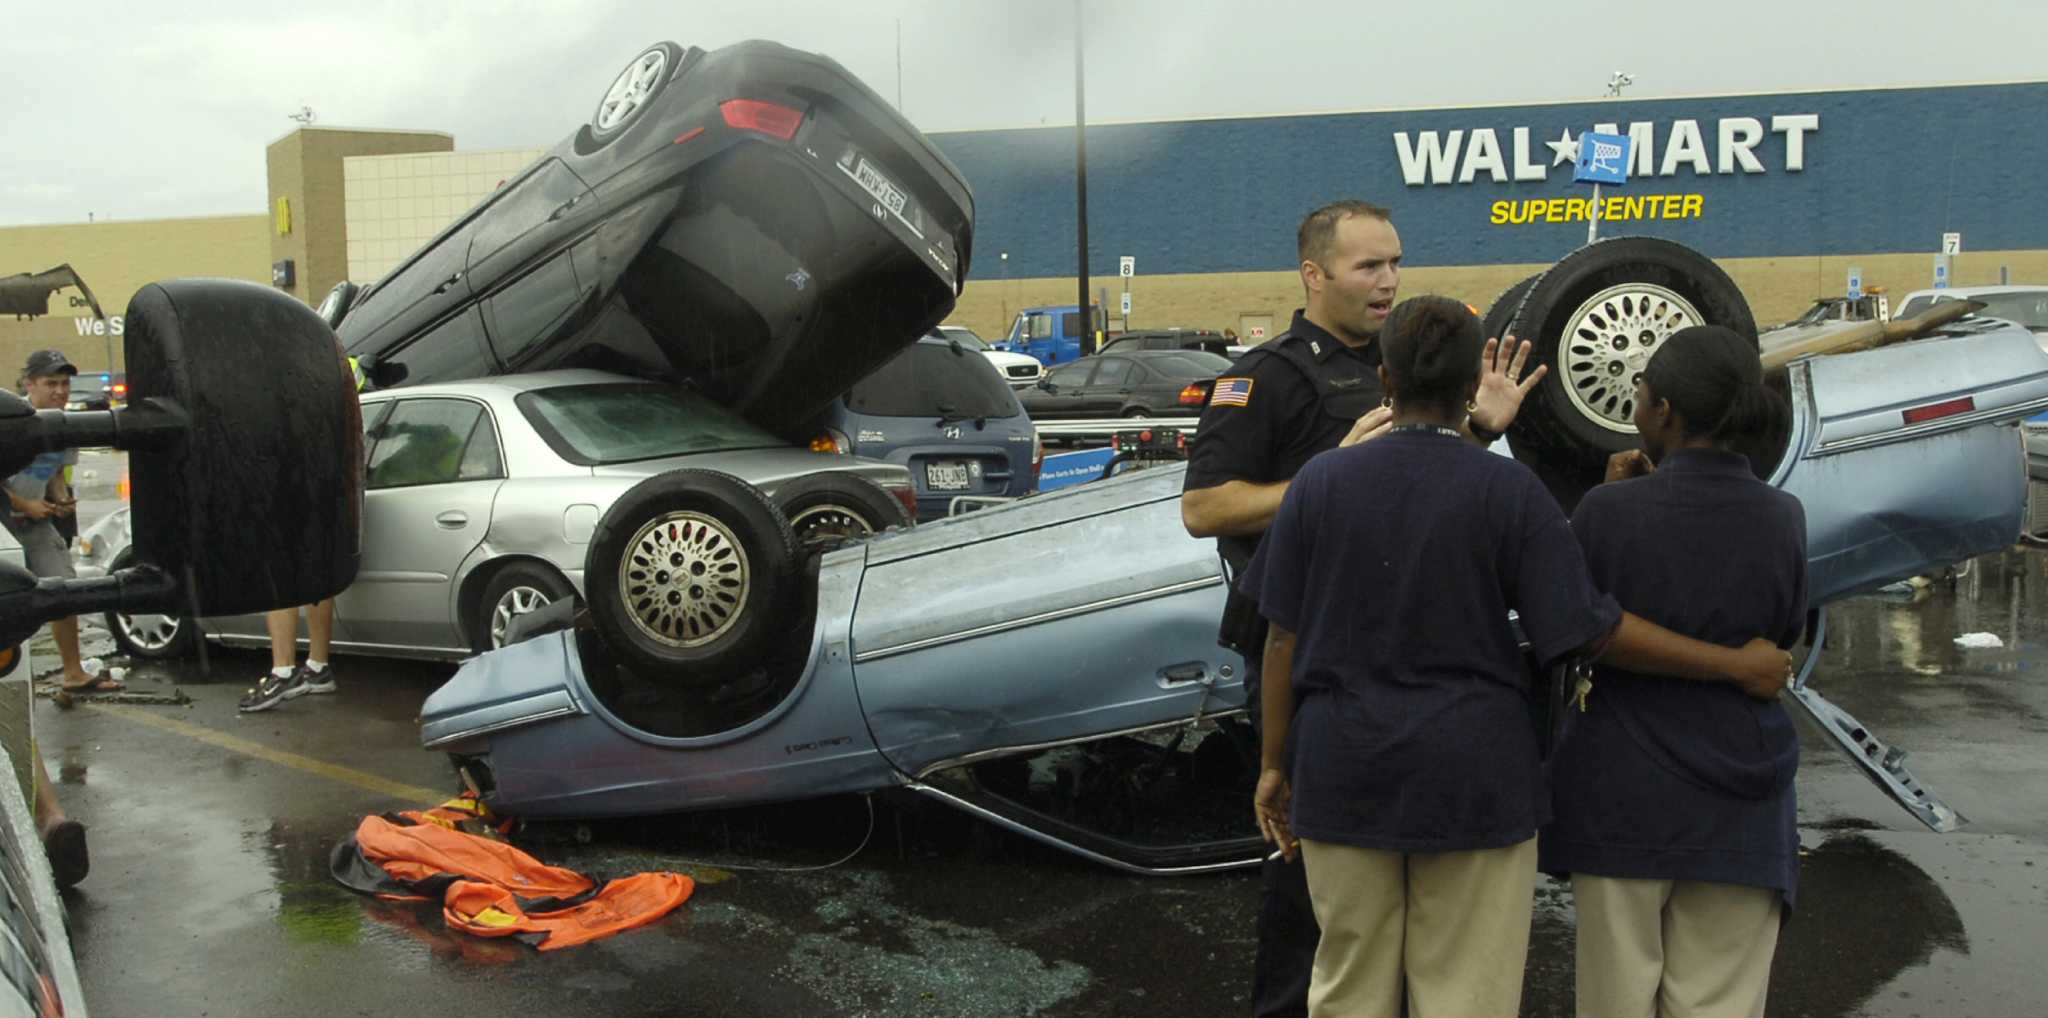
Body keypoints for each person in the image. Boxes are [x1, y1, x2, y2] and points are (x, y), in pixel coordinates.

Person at [1241, 297, 1793, 1018]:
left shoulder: (1320, 483)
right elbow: (1582, 630)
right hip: (1478, 776)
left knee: (1348, 984)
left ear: (1384, 378)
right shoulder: (1509, 491)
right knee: (1467, 993)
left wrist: (1275, 765)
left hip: (1345, 770)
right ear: (1474, 385)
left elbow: (1280, 636)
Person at [1180, 200, 1543, 1018]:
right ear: (1314, 275)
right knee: (1313, 908)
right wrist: (1326, 473)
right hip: (1306, 659)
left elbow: (1427, 486)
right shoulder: (1267, 377)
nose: (1388, 282)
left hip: (1412, 659)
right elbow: (1204, 507)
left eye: (1395, 263)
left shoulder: (1408, 363)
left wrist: (1478, 429)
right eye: (1367, 267)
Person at [1541, 325, 1807, 1018]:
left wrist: (1605, 507)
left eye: (1638, 393)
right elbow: (1781, 639)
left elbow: (1581, 626)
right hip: (1743, 800)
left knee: (1615, 999)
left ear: (1663, 412)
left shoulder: (1606, 511)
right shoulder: (1783, 517)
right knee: (1719, 1001)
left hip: (1621, 796)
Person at [4, 350, 119, 695]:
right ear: (29, 384)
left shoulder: (64, 425)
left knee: (63, 590)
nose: (60, 391)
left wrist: (58, 497)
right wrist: (22, 502)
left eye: (65, 383)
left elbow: (55, 470)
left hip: (36, 521)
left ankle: (73, 672)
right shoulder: (10, 419)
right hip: (1, 522)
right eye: (50, 383)